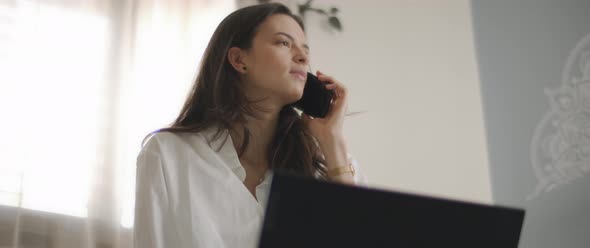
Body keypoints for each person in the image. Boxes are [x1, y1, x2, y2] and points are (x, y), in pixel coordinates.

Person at [133, 3, 365, 248]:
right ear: (238, 59)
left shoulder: (331, 164)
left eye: (305, 49)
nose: (302, 56)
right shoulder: (167, 154)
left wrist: (334, 143)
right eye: (284, 43)